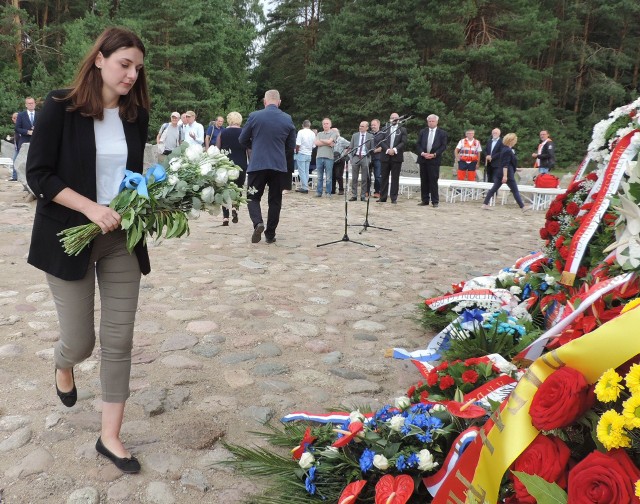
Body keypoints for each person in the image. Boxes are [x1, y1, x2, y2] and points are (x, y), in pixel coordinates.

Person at [25, 27, 150, 474]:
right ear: (99, 59)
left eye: (138, 67)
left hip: (120, 240)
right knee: (81, 341)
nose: (132, 74)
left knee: (119, 340)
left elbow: (132, 178)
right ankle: (63, 364)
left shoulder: (137, 116)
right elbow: (37, 175)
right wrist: (90, 208)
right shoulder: (61, 106)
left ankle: (110, 436)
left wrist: (151, 202)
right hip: (66, 237)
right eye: (124, 64)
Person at [239, 89, 296, 244]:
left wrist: (255, 146)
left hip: (258, 163)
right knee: (275, 200)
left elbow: (242, 139)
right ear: (279, 102)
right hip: (278, 164)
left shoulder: (254, 116)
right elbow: (291, 146)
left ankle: (258, 223)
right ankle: (270, 234)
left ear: (265, 102)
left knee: (252, 197)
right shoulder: (287, 119)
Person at [481, 133, 532, 212]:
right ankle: (522, 207)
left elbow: (506, 162)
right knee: (515, 190)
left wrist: (516, 168)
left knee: (494, 188)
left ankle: (485, 204)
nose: (516, 141)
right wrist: (505, 176)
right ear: (511, 141)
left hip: (500, 171)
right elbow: (505, 164)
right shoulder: (508, 150)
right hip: (507, 173)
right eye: (515, 140)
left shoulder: (504, 149)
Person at [216, 111, 247, 226]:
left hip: (226, 165)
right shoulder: (244, 133)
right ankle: (235, 208)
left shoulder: (222, 133)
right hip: (241, 164)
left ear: (229, 120)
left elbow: (218, 150)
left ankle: (225, 217)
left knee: (224, 189)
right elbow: (248, 150)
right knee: (238, 188)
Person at [416, 114, 448, 208]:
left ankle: (435, 201)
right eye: (429, 121)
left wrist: (434, 154)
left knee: (433, 180)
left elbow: (443, 146)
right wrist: (422, 153)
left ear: (437, 122)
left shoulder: (442, 133)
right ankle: (425, 200)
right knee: (424, 180)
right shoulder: (423, 131)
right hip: (423, 159)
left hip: (434, 160)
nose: (431, 123)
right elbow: (418, 144)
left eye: (433, 121)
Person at [378, 112, 407, 204]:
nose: (394, 119)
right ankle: (383, 197)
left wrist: (394, 149)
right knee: (384, 177)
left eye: (395, 118)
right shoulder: (384, 128)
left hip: (396, 157)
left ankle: (394, 198)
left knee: (395, 178)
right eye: (392, 117)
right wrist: (387, 149)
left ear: (399, 119)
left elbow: (403, 142)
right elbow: (380, 141)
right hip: (385, 156)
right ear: (390, 119)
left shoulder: (402, 129)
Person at [13, 97, 38, 181]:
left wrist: (37, 129)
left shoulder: (40, 114)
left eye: (32, 103)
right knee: (25, 163)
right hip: (25, 142)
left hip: (36, 142)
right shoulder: (21, 115)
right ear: (26, 105)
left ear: (35, 104)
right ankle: (24, 181)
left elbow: (45, 127)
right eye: (29, 103)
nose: (31, 105)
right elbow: (17, 128)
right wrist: (27, 132)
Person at [349, 121, 374, 201]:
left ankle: (363, 195)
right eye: (360, 126)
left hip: (365, 157)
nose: (360, 127)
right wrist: (351, 157)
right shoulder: (355, 135)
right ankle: (354, 195)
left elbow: (372, 148)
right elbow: (351, 147)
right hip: (356, 156)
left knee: (364, 178)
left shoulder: (370, 136)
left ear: (367, 128)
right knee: (354, 177)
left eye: (362, 126)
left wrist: (369, 157)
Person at [314, 118, 338, 197]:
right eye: (324, 123)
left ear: (330, 125)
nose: (325, 125)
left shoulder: (333, 133)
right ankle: (319, 192)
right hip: (319, 157)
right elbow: (317, 143)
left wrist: (322, 141)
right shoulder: (319, 133)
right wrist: (327, 142)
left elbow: (329, 142)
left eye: (327, 123)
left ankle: (328, 192)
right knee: (319, 177)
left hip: (329, 157)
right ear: (322, 125)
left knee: (328, 177)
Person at [295, 119, 315, 194]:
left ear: (303, 125)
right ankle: (304, 185)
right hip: (309, 153)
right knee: (306, 171)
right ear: (309, 125)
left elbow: (298, 144)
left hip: (302, 152)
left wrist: (297, 151)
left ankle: (305, 187)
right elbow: (314, 145)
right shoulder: (312, 133)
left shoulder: (301, 132)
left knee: (301, 171)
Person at [331, 127, 349, 195]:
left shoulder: (342, 139)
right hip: (332, 158)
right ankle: (332, 190)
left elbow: (350, 145)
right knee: (332, 175)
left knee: (338, 175)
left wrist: (345, 153)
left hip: (340, 159)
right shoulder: (331, 140)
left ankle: (341, 189)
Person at [369, 118, 383, 197]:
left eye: (374, 125)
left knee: (377, 175)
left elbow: (383, 146)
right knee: (367, 175)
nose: (373, 126)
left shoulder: (382, 134)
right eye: (372, 125)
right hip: (369, 157)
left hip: (378, 157)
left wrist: (376, 150)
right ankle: (367, 191)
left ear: (378, 125)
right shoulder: (369, 134)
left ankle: (377, 191)